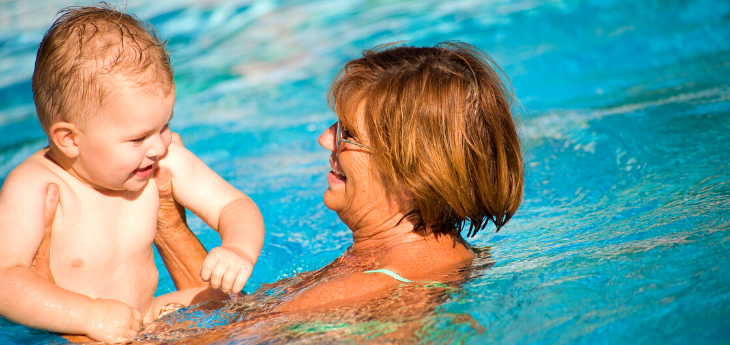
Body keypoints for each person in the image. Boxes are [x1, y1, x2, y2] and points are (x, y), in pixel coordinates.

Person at [151, 41, 524, 320]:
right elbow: (234, 320)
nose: (325, 139)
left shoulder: (369, 288)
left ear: (413, 175)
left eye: (347, 133)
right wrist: (166, 220)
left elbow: (215, 338)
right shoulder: (428, 260)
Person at [0, 5, 264, 343]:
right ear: (70, 140)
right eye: (138, 138)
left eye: (164, 126)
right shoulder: (34, 186)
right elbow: (6, 278)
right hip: (73, 327)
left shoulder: (160, 160)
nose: (157, 146)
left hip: (145, 315)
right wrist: (86, 315)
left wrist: (239, 248)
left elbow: (234, 205)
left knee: (239, 307)